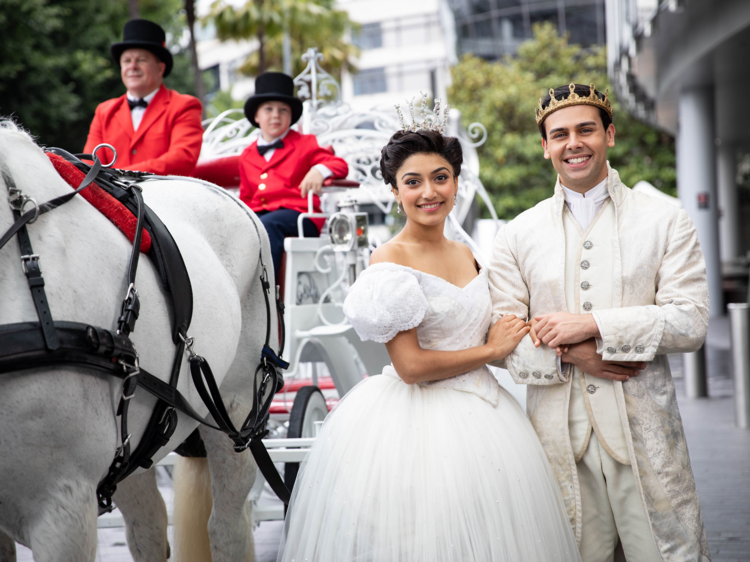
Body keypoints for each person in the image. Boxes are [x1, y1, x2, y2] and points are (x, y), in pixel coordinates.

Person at [277, 128, 582, 562]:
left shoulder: (468, 253)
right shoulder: (389, 259)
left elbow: (497, 332)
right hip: (417, 426)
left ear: (456, 183)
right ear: (395, 191)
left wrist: (571, 346)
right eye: (413, 181)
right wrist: (491, 353)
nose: (428, 192)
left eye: (440, 177)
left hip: (488, 419)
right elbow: (411, 367)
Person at [489, 84, 711, 561]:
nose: (574, 143)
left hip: (644, 434)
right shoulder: (517, 234)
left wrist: (592, 326)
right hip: (556, 439)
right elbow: (500, 335)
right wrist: (575, 356)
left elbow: (690, 320)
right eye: (560, 134)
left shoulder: (666, 220)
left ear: (609, 135)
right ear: (545, 146)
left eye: (586, 129)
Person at [238, 72, 348, 280]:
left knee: (267, 225)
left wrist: (319, 170)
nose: (276, 115)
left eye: (283, 110)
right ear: (256, 116)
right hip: (260, 216)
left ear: (291, 117)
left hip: (299, 216)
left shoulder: (305, 143)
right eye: (268, 109)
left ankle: (267, 292)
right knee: (237, 227)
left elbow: (339, 164)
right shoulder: (248, 155)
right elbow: (245, 197)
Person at [83, 19, 203, 176]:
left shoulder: (184, 106)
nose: (132, 66)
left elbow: (182, 159)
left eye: (141, 60)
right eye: (126, 61)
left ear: (160, 68)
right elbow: (89, 164)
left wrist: (123, 176)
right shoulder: (103, 111)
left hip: (168, 198)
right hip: (110, 199)